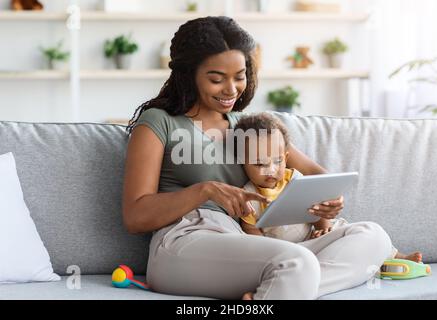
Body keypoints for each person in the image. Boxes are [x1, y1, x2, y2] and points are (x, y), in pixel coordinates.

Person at [122, 16, 393, 300]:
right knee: (295, 262)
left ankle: (273, 290)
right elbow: (135, 216)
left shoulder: (246, 126)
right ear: (188, 74)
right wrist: (205, 190)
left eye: (239, 76)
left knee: (373, 237)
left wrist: (330, 199)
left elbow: (315, 173)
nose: (231, 90)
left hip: (246, 242)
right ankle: (285, 282)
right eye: (217, 79)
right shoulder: (159, 121)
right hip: (184, 242)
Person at [234, 113, 423, 279]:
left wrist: (323, 228)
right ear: (243, 163)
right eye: (260, 165)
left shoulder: (294, 179)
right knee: (326, 256)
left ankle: (394, 257)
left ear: (286, 155)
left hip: (316, 237)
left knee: (351, 230)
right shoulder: (248, 195)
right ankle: (369, 265)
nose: (272, 170)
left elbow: (316, 206)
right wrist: (270, 254)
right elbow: (253, 234)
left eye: (277, 161)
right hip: (288, 250)